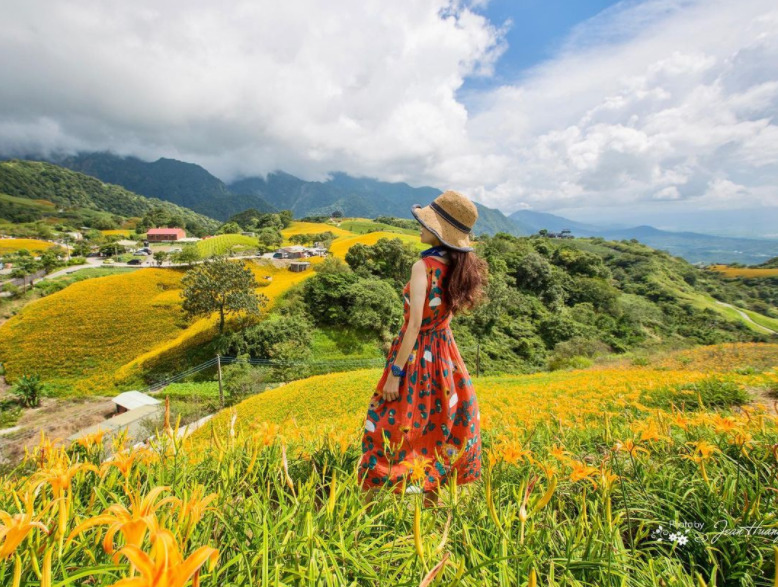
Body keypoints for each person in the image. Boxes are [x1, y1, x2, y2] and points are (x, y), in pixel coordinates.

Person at [358, 190, 489, 509]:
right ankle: (430, 517)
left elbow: (414, 325)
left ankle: (366, 514)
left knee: (385, 427)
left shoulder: (423, 266)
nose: (419, 226)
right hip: (446, 357)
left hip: (416, 356)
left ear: (440, 231)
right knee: (437, 430)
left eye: (426, 222)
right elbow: (443, 316)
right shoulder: (458, 265)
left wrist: (395, 374)